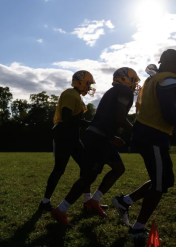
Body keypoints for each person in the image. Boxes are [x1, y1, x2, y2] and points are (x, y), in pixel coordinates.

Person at [112, 49, 176, 239]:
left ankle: (125, 201)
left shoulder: (154, 79)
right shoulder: (170, 78)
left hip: (148, 132)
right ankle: (138, 228)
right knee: (160, 183)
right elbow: (167, 112)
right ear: (171, 63)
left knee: (165, 180)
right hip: (152, 134)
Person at [51, 67, 141, 225]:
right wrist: (138, 131)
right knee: (89, 175)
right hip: (98, 137)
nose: (135, 84)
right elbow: (120, 118)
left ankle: (94, 201)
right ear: (125, 79)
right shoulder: (123, 91)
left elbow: (107, 118)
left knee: (118, 168)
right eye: (133, 80)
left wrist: (111, 136)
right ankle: (61, 209)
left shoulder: (112, 91)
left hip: (102, 136)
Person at [39, 71, 107, 212]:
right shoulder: (71, 94)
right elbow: (67, 118)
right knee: (59, 169)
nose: (89, 87)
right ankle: (45, 202)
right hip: (64, 136)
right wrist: (88, 123)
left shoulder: (75, 95)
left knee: (86, 167)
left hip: (72, 137)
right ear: (81, 82)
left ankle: (87, 201)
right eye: (88, 83)